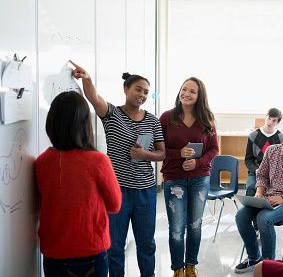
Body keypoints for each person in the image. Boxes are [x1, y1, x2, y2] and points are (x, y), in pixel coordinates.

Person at [71, 61, 165, 277]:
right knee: (114, 247)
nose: (141, 95)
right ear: (126, 89)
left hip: (145, 191)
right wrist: (87, 79)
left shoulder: (152, 120)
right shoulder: (112, 114)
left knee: (146, 244)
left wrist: (144, 155)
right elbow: (94, 98)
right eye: (138, 89)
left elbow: (162, 153)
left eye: (146, 92)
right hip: (117, 190)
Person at [35, 91, 122, 277]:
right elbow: (115, 205)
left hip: (53, 253)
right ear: (85, 125)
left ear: (51, 122)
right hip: (90, 252)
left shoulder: (41, 162)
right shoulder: (98, 161)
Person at [234, 122, 283, 274]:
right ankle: (253, 258)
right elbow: (262, 175)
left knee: (264, 218)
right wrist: (259, 192)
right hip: (267, 198)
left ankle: (268, 264)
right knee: (241, 216)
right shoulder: (272, 151)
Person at [159, 77, 219, 277]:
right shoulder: (167, 118)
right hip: (173, 178)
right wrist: (179, 154)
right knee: (176, 227)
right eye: (184, 89)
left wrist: (197, 162)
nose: (186, 93)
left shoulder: (207, 119)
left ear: (199, 96)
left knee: (195, 224)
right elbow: (157, 150)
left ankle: (191, 265)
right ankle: (177, 268)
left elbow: (214, 149)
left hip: (199, 177)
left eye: (192, 91)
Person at [244, 108, 283, 196]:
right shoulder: (253, 135)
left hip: (273, 174)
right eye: (269, 118)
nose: (270, 122)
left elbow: (282, 160)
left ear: (278, 123)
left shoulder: (281, 138)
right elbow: (248, 159)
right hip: (255, 172)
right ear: (265, 117)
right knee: (250, 187)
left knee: (274, 192)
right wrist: (256, 170)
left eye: (274, 121)